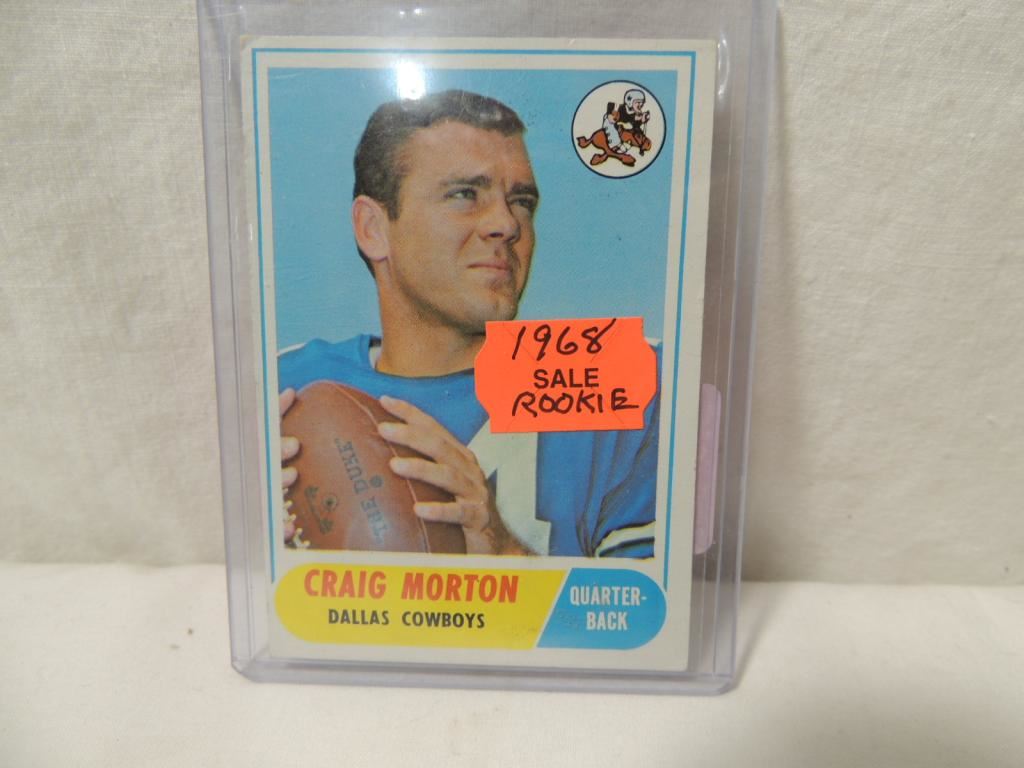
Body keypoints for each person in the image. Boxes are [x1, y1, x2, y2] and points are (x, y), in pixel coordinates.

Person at [278, 89, 658, 558]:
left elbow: (652, 600)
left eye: (521, 201)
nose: (507, 224)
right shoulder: (285, 383)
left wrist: (504, 551)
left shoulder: (623, 374)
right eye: (464, 195)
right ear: (373, 229)